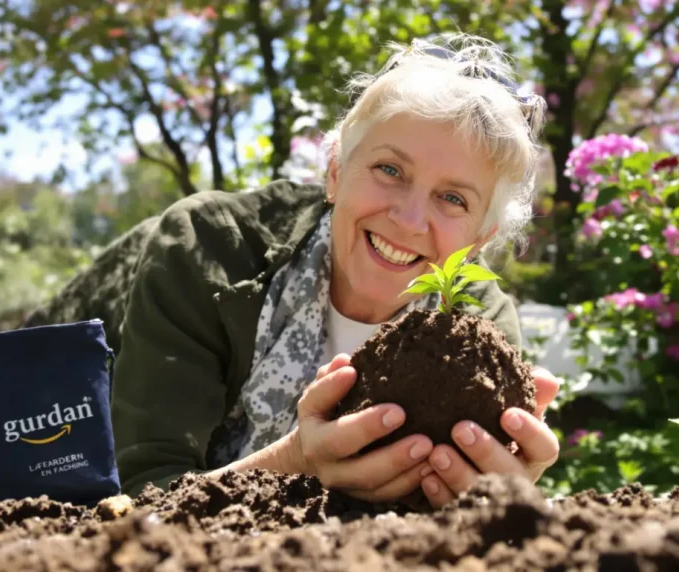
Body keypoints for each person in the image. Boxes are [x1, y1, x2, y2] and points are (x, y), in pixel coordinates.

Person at [111, 33, 561, 508]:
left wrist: (500, 493)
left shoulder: (480, 325)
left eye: (453, 198)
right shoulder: (213, 249)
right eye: (390, 170)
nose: (409, 220)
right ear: (335, 171)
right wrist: (295, 461)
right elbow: (136, 496)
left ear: (479, 241)